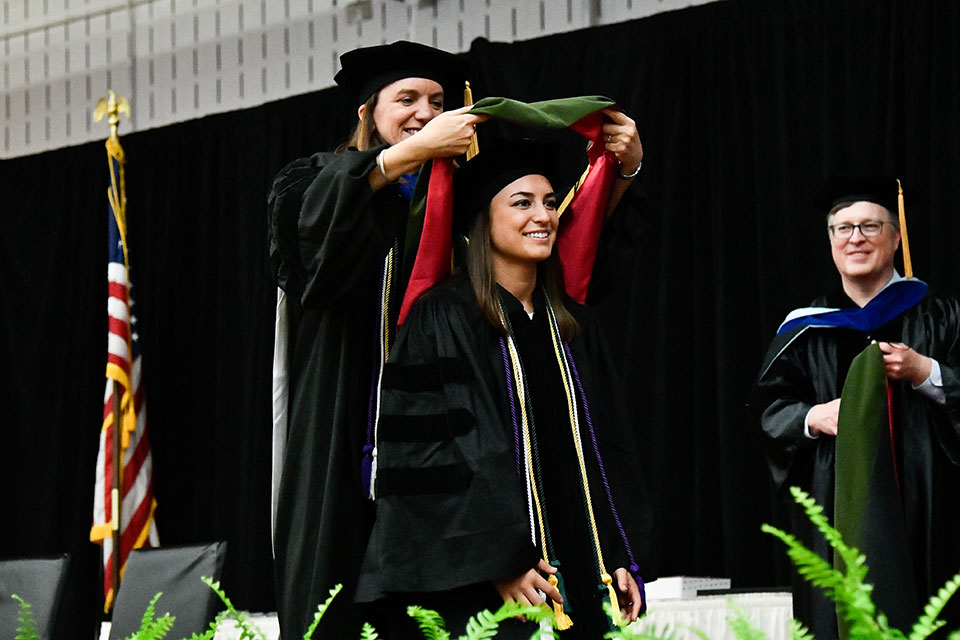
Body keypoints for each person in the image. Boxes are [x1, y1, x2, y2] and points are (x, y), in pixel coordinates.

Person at [355, 141, 652, 639]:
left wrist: (617, 553)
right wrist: (500, 559)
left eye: (550, 202)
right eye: (522, 202)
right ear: (482, 221)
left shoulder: (574, 327)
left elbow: (609, 449)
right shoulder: (444, 318)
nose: (543, 215)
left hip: (582, 569)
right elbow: (440, 454)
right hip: (488, 586)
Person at [267, 40, 488, 639]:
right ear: (368, 110)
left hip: (440, 438)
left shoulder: (462, 199)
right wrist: (405, 158)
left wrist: (620, 173)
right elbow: (307, 259)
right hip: (345, 418)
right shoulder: (309, 180)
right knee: (334, 597)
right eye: (407, 98)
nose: (424, 110)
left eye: (437, 102)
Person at [751, 177, 960, 640]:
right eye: (842, 228)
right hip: (834, 505)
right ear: (830, 242)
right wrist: (813, 417)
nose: (856, 238)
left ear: (896, 235)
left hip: (927, 514)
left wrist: (925, 370)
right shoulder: (803, 331)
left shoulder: (941, 317)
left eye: (869, 225)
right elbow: (769, 411)